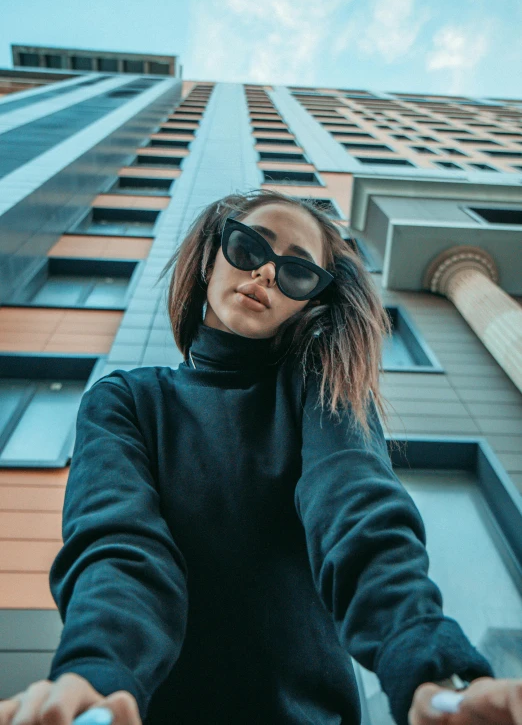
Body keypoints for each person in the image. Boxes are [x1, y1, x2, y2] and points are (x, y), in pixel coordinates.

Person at [2, 189, 521, 725]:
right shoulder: (126, 401)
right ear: (210, 258)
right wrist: (95, 675)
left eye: (297, 272)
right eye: (250, 248)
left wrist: (431, 669)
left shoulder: (324, 389)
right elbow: (119, 543)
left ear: (310, 301)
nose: (268, 274)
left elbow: (355, 510)